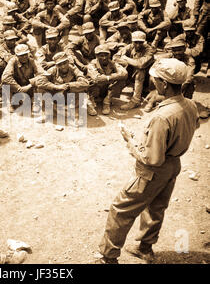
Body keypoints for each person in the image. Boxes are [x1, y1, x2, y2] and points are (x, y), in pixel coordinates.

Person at [97, 58, 199, 264]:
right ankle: (145, 248)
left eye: (155, 80)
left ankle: (108, 258)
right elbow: (191, 128)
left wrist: (131, 143)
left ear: (163, 83)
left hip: (153, 170)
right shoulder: (189, 105)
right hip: (173, 165)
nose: (153, 83)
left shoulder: (162, 116)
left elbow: (152, 159)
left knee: (120, 209)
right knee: (156, 207)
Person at [114, 31, 154, 110]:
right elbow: (115, 57)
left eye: (140, 43)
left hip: (148, 78)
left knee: (140, 70)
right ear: (132, 41)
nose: (138, 45)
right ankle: (110, 93)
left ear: (144, 42)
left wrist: (125, 58)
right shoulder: (130, 46)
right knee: (121, 68)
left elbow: (140, 64)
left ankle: (136, 100)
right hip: (133, 74)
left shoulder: (149, 50)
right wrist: (126, 63)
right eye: (136, 42)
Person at [85, 44, 128, 115]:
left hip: (105, 89)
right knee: (93, 82)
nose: (104, 58)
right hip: (94, 90)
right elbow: (98, 79)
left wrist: (108, 78)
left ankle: (107, 101)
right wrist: (112, 77)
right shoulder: (92, 65)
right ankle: (90, 102)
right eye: (101, 55)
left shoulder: (112, 63)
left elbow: (124, 73)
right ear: (97, 56)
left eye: (106, 55)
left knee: (122, 80)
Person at [1, 44, 43, 113]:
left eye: (25, 54)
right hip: (16, 87)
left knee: (41, 82)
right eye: (21, 55)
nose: (24, 57)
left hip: (29, 87)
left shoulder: (32, 61)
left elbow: (42, 74)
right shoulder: (13, 61)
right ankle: (10, 103)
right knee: (5, 83)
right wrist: (18, 88)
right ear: (16, 56)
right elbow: (5, 77)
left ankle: (34, 102)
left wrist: (29, 86)